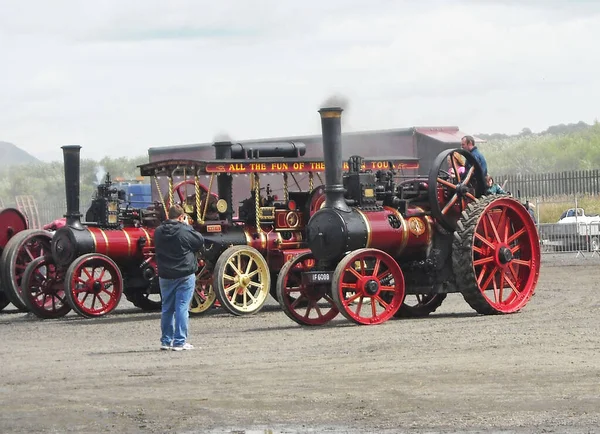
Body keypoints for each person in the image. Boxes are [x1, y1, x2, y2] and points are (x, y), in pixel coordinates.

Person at [154, 204, 205, 351]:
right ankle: (179, 342)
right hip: (184, 274)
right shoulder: (184, 230)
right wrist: (187, 226)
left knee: (167, 308)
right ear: (182, 217)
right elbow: (199, 240)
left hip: (165, 275)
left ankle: (166, 341)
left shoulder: (158, 232)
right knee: (182, 308)